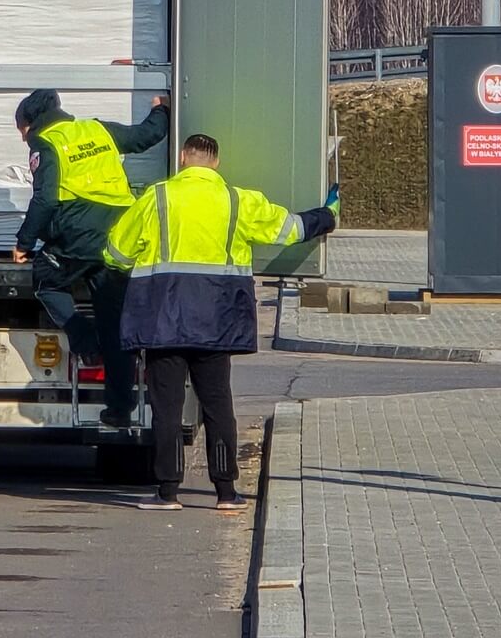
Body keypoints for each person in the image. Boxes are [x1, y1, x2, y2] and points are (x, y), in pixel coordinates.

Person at [103, 133, 339, 511]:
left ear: (183, 157)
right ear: (216, 162)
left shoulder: (156, 197)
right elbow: (290, 230)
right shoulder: (237, 200)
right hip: (216, 319)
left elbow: (116, 251)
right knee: (217, 403)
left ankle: (167, 492)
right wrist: (328, 215)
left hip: (163, 318)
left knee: (166, 407)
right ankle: (227, 493)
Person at [12, 88, 169, 428]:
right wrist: (162, 110)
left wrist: (24, 242)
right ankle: (119, 409)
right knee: (115, 327)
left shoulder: (45, 143)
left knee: (44, 279)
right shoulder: (97, 129)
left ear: (31, 123)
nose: (23, 138)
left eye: (21, 130)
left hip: (78, 235)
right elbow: (146, 137)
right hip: (119, 239)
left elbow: (46, 200)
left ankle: (86, 342)